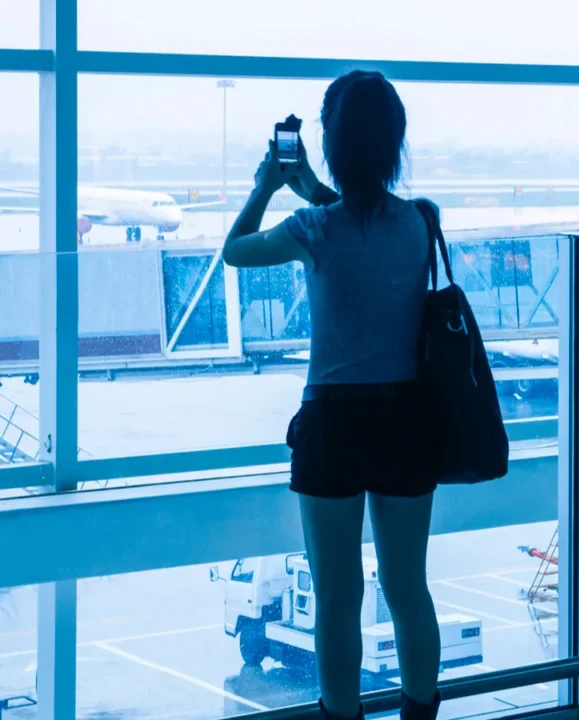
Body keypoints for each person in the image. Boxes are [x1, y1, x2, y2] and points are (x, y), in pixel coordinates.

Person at [222, 70, 441, 720]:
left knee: (337, 597)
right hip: (405, 421)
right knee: (407, 589)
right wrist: (312, 184)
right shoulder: (421, 223)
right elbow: (367, 225)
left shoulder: (311, 228)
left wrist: (269, 183)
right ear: (395, 142)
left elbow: (235, 251)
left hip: (333, 427)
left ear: (332, 144)